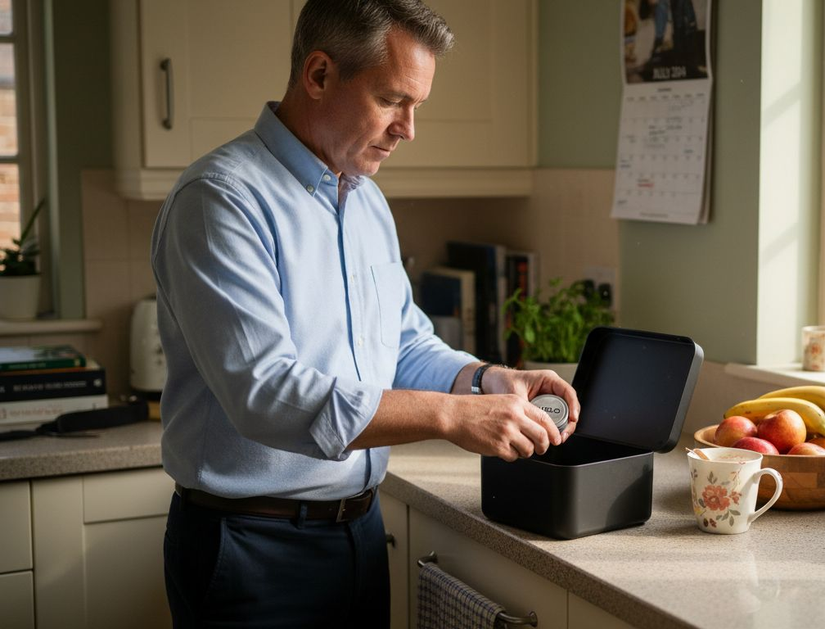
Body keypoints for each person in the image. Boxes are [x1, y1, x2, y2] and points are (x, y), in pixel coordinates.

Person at [150, 1, 580, 626]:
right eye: (392, 100)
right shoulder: (220, 201)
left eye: (417, 106)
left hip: (358, 534)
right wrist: (452, 415)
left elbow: (403, 344)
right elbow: (267, 394)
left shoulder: (366, 200)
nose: (408, 128)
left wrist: (487, 380)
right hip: (251, 548)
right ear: (319, 75)